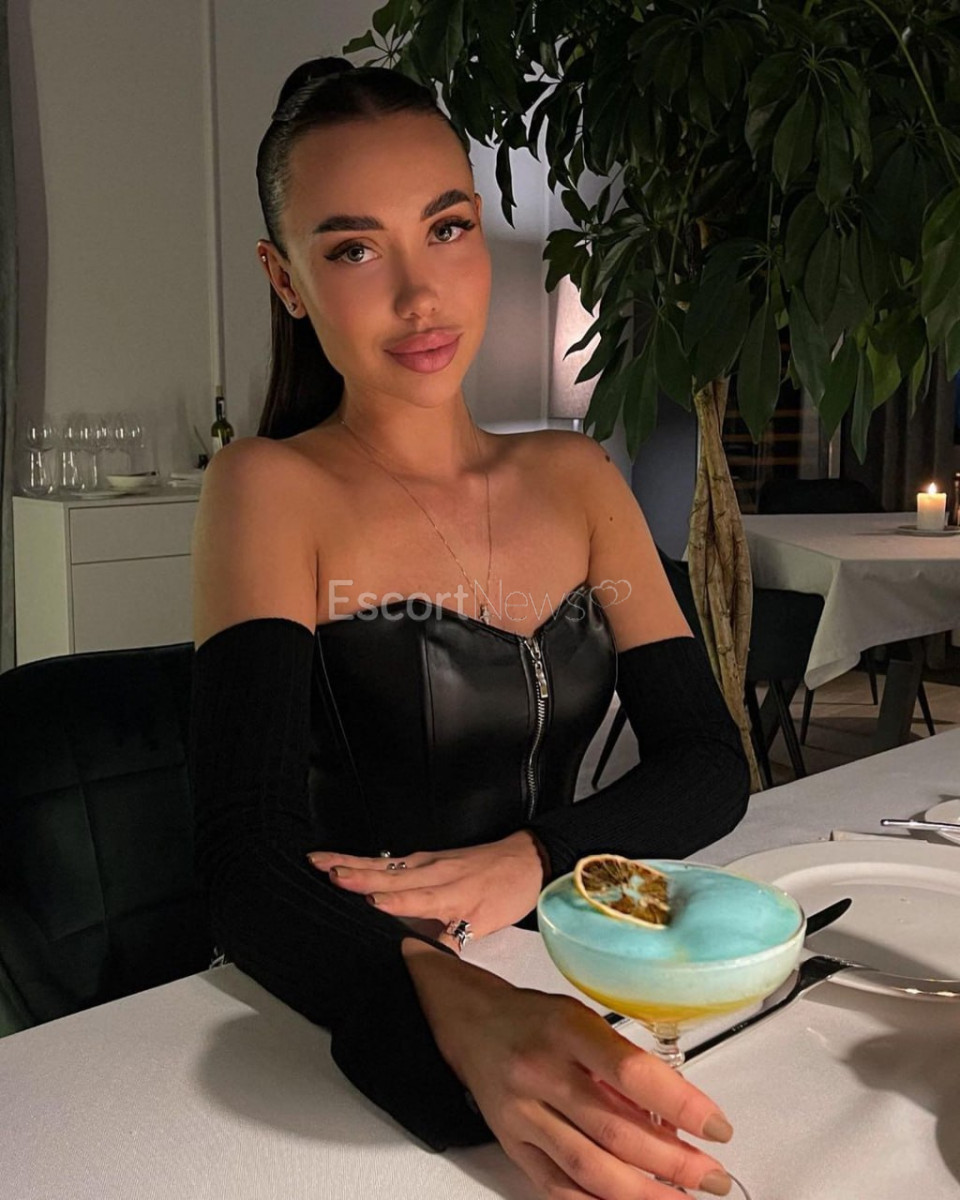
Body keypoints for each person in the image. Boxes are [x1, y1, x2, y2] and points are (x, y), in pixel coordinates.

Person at [187, 56, 750, 1200]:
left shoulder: (578, 476)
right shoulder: (267, 488)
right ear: (284, 280)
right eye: (354, 251)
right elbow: (246, 858)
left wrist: (530, 861)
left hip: (574, 964)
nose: (419, 296)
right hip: (347, 989)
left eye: (446, 230)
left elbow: (708, 761)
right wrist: (456, 1001)